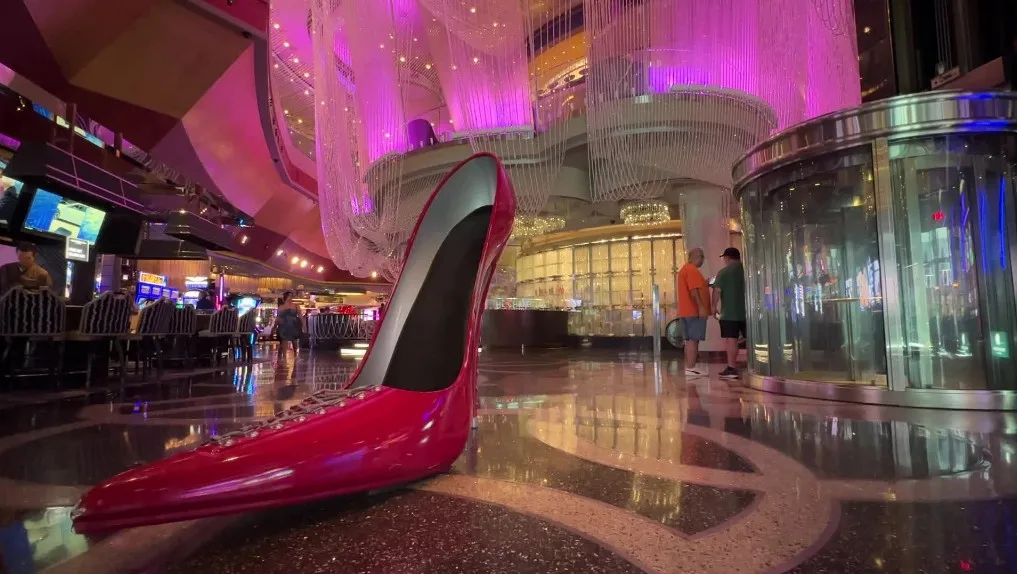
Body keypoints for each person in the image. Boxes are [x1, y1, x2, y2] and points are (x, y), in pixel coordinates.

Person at [712, 247, 746, 379]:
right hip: (747, 312)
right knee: (749, 338)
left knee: (731, 340)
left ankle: (732, 367)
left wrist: (713, 307)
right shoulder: (746, 270)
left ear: (727, 258)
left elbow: (717, 290)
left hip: (729, 313)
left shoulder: (724, 272)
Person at [676, 247, 710, 378]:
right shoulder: (692, 269)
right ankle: (691, 368)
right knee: (693, 340)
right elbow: (694, 291)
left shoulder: (685, 270)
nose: (703, 259)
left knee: (689, 340)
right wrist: (701, 307)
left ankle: (690, 367)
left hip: (685, 311)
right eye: (701, 256)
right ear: (693, 257)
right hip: (693, 311)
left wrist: (705, 283)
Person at [276, 291, 303, 360]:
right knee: (284, 340)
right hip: (284, 325)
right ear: (286, 297)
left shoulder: (296, 305)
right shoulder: (281, 307)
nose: (290, 297)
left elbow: (300, 315)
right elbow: (278, 317)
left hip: (293, 324)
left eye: (291, 296)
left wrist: (303, 323)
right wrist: (274, 326)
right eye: (289, 296)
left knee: (294, 340)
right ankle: (284, 356)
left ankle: (296, 355)